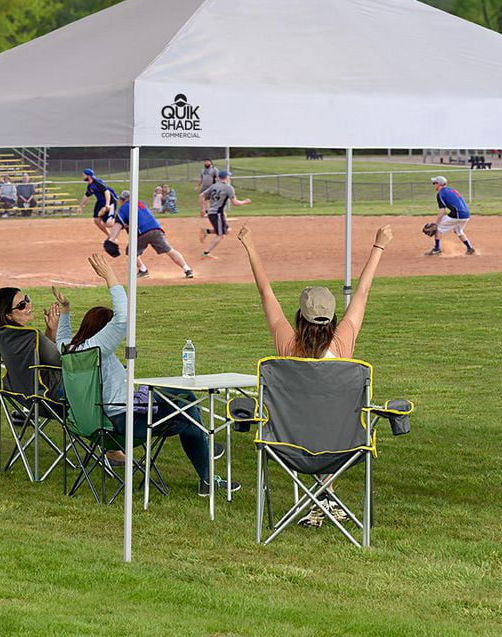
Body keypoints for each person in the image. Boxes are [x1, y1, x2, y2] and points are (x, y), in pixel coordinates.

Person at [238, 222, 393, 526]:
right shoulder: (342, 340)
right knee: (327, 419)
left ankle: (323, 501)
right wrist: (379, 245)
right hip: (342, 443)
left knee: (315, 419)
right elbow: (363, 293)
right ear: (333, 317)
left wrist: (250, 246)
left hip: (289, 441)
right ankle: (325, 500)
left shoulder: (287, 344)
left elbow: (265, 293)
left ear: (300, 316)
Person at [64, 254, 236, 496]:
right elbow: (123, 317)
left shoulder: (71, 352)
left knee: (183, 397)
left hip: (95, 421)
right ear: (103, 332)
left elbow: (61, 338)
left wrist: (64, 313)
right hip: (122, 422)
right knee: (189, 414)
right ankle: (207, 476)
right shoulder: (98, 350)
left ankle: (205, 459)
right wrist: (110, 276)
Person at [0, 284, 71, 401]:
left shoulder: (5, 335)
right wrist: (66, 310)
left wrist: (51, 330)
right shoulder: (31, 336)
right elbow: (64, 359)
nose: (28, 305)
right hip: (52, 395)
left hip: (24, 397)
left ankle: (22, 415)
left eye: (27, 299)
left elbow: (43, 356)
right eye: (22, 305)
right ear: (8, 315)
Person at [107, 190, 194, 279]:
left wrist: (111, 239)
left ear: (123, 199)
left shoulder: (124, 207)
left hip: (142, 233)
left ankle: (143, 270)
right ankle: (187, 269)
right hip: (156, 229)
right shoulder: (142, 203)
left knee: (131, 252)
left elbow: (118, 225)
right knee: (169, 250)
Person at [198, 170, 251, 256]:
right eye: (228, 176)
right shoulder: (228, 188)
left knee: (227, 230)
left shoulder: (214, 186)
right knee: (220, 235)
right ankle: (206, 253)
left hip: (214, 213)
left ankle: (206, 231)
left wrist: (203, 210)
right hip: (217, 213)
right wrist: (245, 202)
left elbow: (201, 196)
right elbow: (235, 203)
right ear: (226, 178)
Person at [425, 176, 475, 256]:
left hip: (457, 214)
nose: (433, 185)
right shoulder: (452, 190)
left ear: (439, 184)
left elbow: (442, 210)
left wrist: (436, 223)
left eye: (434, 183)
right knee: (458, 231)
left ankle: (437, 249)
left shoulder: (440, 194)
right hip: (466, 214)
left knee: (438, 228)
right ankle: (470, 249)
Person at [79, 169, 118, 237]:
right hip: (100, 202)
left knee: (108, 224)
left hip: (110, 201)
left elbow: (107, 192)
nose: (82, 176)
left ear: (89, 176)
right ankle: (110, 236)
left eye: (83, 175)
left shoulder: (97, 183)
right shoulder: (90, 185)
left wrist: (107, 205)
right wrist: (80, 206)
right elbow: (87, 195)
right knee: (96, 220)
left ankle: (123, 220)